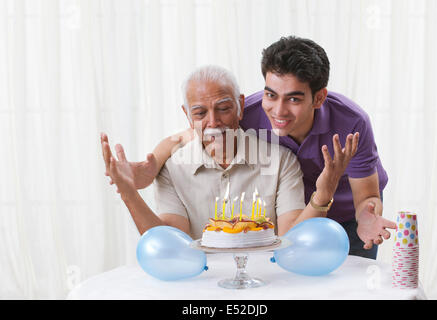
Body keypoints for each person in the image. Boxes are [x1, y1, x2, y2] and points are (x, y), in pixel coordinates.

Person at [107, 36, 396, 260]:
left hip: (347, 216)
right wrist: (152, 164)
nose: (278, 110)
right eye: (272, 94)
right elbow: (196, 132)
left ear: (318, 98)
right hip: (299, 213)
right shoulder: (253, 111)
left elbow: (367, 194)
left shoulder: (351, 122)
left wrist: (367, 215)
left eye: (294, 99)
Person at [100, 65, 357, 239]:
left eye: (223, 108)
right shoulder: (173, 168)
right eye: (200, 113)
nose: (213, 122)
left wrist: (324, 194)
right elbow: (169, 242)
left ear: (241, 106)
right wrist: (129, 193)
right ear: (188, 117)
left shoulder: (280, 161)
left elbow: (292, 240)